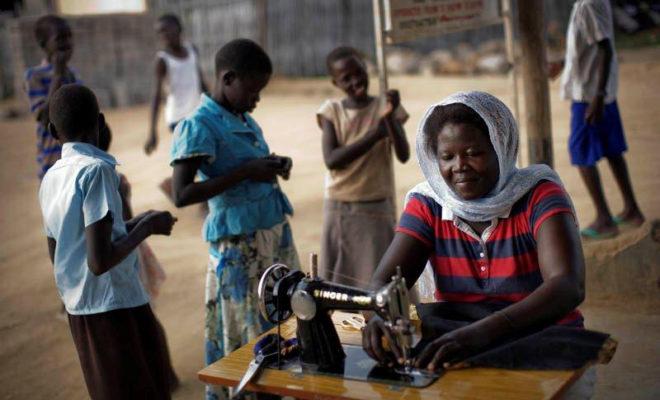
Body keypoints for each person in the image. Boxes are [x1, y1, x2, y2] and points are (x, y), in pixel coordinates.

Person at [363, 91, 587, 375]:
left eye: (474, 153)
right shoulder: (428, 204)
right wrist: (375, 315)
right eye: (447, 157)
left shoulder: (538, 196)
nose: (459, 167)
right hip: (462, 346)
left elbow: (567, 285)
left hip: (544, 342)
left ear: (501, 148)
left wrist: (483, 333)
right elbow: (383, 281)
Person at [169, 39, 300, 400]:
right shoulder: (198, 125)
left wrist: (273, 165)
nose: (256, 100)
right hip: (239, 248)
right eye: (253, 91)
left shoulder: (242, 118)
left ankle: (272, 390)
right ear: (228, 79)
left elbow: (247, 164)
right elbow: (182, 194)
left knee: (273, 323)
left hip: (269, 236)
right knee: (247, 331)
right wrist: (246, 172)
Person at [39, 84, 177, 399]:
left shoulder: (51, 178)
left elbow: (62, 246)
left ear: (51, 130)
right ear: (100, 123)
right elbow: (99, 260)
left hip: (81, 308)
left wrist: (139, 221)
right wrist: (147, 229)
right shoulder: (98, 171)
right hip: (115, 305)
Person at [548, 0, 644, 239]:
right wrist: (563, 63)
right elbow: (591, 47)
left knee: (580, 153)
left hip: (590, 96)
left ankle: (604, 219)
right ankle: (632, 209)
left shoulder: (589, 4)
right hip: (601, 93)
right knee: (612, 150)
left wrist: (598, 96)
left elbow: (604, 48)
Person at [317, 46, 410, 288]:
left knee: (379, 279)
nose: (356, 80)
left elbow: (403, 154)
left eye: (359, 72)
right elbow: (332, 159)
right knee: (340, 282)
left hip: (377, 205)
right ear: (335, 82)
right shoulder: (332, 111)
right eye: (346, 78)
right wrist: (375, 134)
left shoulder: (384, 107)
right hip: (341, 207)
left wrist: (390, 119)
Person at [97, 121, 179, 393]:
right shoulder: (111, 178)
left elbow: (125, 222)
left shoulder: (111, 181)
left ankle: (165, 376)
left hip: (127, 253)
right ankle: (165, 375)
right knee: (145, 318)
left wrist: (142, 227)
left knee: (146, 318)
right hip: (127, 250)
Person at [144, 14, 208, 200]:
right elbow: (156, 96)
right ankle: (203, 200)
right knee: (199, 156)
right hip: (178, 117)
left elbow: (201, 80)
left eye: (166, 29)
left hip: (198, 111)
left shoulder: (192, 50)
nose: (163, 35)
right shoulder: (162, 60)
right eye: (159, 32)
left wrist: (214, 104)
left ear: (179, 29)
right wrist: (152, 131)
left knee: (200, 155)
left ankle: (172, 184)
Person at [25, 14, 81, 179]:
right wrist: (57, 76)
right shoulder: (34, 76)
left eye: (69, 36)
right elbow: (43, 117)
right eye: (60, 38)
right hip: (53, 161)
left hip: (78, 159)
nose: (67, 42)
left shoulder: (73, 74)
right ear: (44, 45)